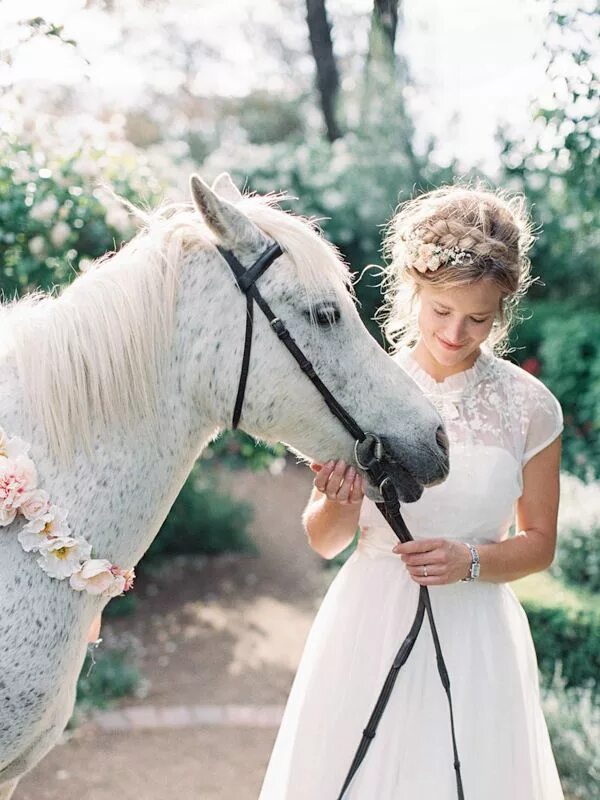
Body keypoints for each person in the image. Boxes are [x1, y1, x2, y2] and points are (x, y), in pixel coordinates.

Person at [258, 182, 565, 799]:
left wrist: (471, 560)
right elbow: (324, 542)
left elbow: (539, 544)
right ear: (412, 292)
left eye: (478, 318)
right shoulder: (360, 395)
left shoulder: (531, 407)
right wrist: (340, 501)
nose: (456, 331)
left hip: (478, 636)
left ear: (503, 309)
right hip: (368, 622)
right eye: (440, 311)